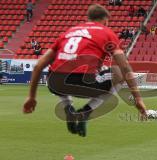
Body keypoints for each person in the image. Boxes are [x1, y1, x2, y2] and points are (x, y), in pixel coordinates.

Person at [23, 4, 147, 137]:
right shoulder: (107, 32)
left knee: (57, 71)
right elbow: (125, 67)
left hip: (54, 83)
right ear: (105, 21)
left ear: (88, 19)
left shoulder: (69, 32)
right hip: (83, 82)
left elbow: (38, 66)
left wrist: (32, 97)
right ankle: (86, 112)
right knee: (117, 73)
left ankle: (67, 106)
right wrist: (138, 99)